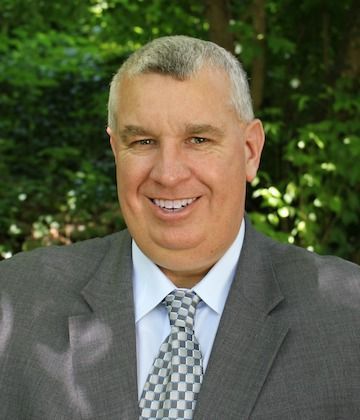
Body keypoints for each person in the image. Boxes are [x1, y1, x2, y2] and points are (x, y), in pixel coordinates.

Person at [0, 36, 359, 420]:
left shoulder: (347, 320)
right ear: (115, 150)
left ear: (250, 150)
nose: (168, 174)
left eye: (199, 139)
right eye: (143, 141)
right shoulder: (14, 300)